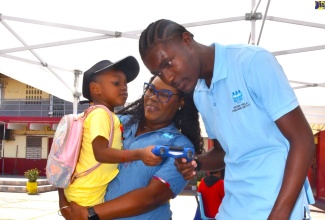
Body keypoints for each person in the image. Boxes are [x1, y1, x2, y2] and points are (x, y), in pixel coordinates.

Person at [139, 19, 315, 220]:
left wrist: (280, 214)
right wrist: (197, 162)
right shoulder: (200, 92)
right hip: (234, 207)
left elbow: (302, 140)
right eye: (159, 73)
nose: (168, 77)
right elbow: (224, 152)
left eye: (168, 63)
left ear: (186, 40)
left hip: (277, 206)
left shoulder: (251, 62)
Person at [58, 75, 204, 219]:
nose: (153, 97)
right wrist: (64, 204)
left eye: (164, 94)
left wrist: (89, 214)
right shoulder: (117, 122)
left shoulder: (180, 146)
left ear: (181, 102)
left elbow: (152, 196)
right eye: (151, 89)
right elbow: (68, 153)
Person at [62, 56, 162, 208]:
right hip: (87, 194)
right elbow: (101, 153)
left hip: (88, 191)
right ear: (95, 89)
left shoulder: (106, 115)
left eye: (125, 83)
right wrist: (139, 154)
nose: (124, 87)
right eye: (116, 83)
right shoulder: (100, 114)